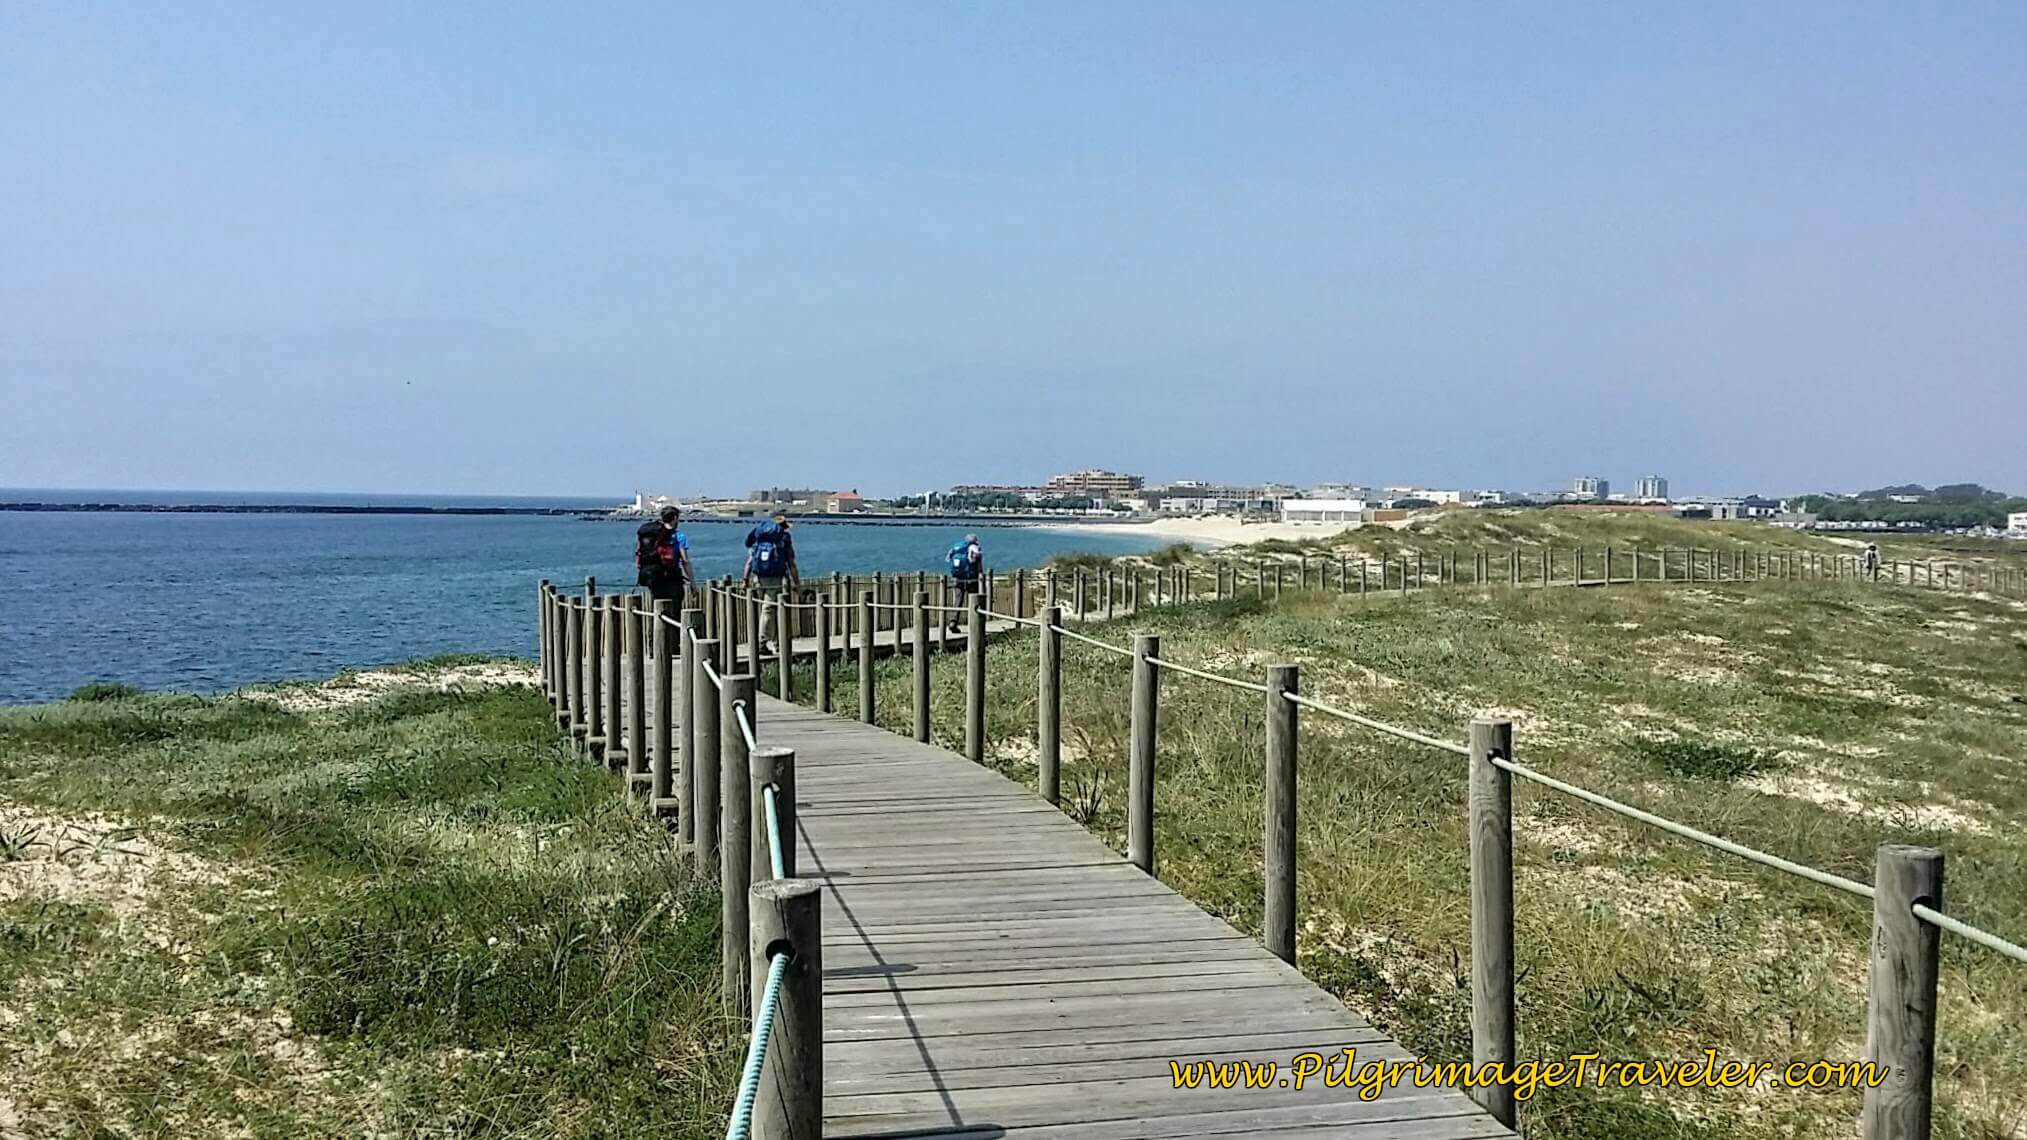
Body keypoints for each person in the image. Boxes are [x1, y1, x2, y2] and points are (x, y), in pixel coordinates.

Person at [744, 511, 800, 652]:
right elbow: (791, 563)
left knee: (769, 610)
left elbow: (750, 560)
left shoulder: (759, 537)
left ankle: (777, 644)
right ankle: (762, 643)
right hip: (776, 578)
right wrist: (797, 582)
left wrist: (745, 579)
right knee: (769, 610)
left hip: (758, 577)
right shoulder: (785, 538)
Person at [635, 506, 693, 606]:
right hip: (672, 577)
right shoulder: (678, 536)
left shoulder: (650, 534)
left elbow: (639, 552)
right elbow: (685, 561)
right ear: (675, 518)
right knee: (675, 609)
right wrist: (692, 582)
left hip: (653, 577)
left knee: (659, 606)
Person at [946, 533, 983, 632]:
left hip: (958, 578)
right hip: (971, 579)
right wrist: (980, 574)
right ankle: (974, 625)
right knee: (974, 601)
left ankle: (953, 621)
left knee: (958, 601)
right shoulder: (974, 547)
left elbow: (948, 558)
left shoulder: (956, 547)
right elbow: (978, 561)